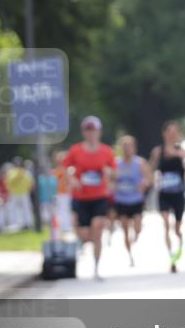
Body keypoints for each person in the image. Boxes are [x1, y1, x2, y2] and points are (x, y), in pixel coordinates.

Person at [62, 116, 117, 279]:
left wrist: (109, 173)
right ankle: (88, 243)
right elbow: (65, 167)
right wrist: (72, 179)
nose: (91, 133)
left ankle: (96, 267)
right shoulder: (75, 150)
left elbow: (115, 172)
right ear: (83, 132)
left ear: (99, 132)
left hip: (99, 196)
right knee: (85, 234)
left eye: (93, 130)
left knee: (98, 227)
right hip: (80, 197)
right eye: (88, 130)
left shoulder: (107, 151)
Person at [150, 121, 185, 273]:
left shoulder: (180, 150)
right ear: (164, 134)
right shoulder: (158, 151)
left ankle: (179, 245)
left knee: (177, 228)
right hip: (164, 193)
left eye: (176, 131)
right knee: (166, 223)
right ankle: (171, 257)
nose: (173, 134)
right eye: (170, 131)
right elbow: (151, 168)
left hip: (178, 193)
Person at [113, 135, 152, 267]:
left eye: (129, 147)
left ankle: (135, 239)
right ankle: (130, 255)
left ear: (134, 148)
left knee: (137, 227)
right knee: (124, 229)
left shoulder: (139, 163)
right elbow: (110, 179)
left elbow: (148, 178)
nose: (127, 149)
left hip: (136, 199)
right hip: (121, 200)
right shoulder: (116, 163)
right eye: (124, 147)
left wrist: (144, 184)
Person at [4, 157, 35, 231]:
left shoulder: (26, 172)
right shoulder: (11, 172)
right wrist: (18, 175)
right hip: (14, 193)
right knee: (14, 209)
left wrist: (29, 189)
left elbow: (30, 182)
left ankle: (28, 223)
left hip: (24, 193)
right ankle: (15, 224)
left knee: (26, 208)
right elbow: (9, 182)